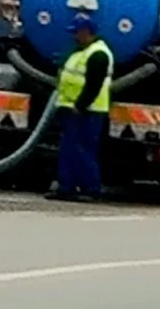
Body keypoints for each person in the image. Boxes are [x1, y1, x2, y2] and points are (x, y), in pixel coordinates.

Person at [47, 10, 113, 202]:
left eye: (77, 32)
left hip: (88, 111)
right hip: (72, 109)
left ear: (87, 32)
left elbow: (94, 84)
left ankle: (90, 188)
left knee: (83, 150)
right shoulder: (81, 52)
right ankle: (66, 187)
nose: (74, 36)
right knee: (69, 149)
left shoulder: (99, 54)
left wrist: (81, 105)